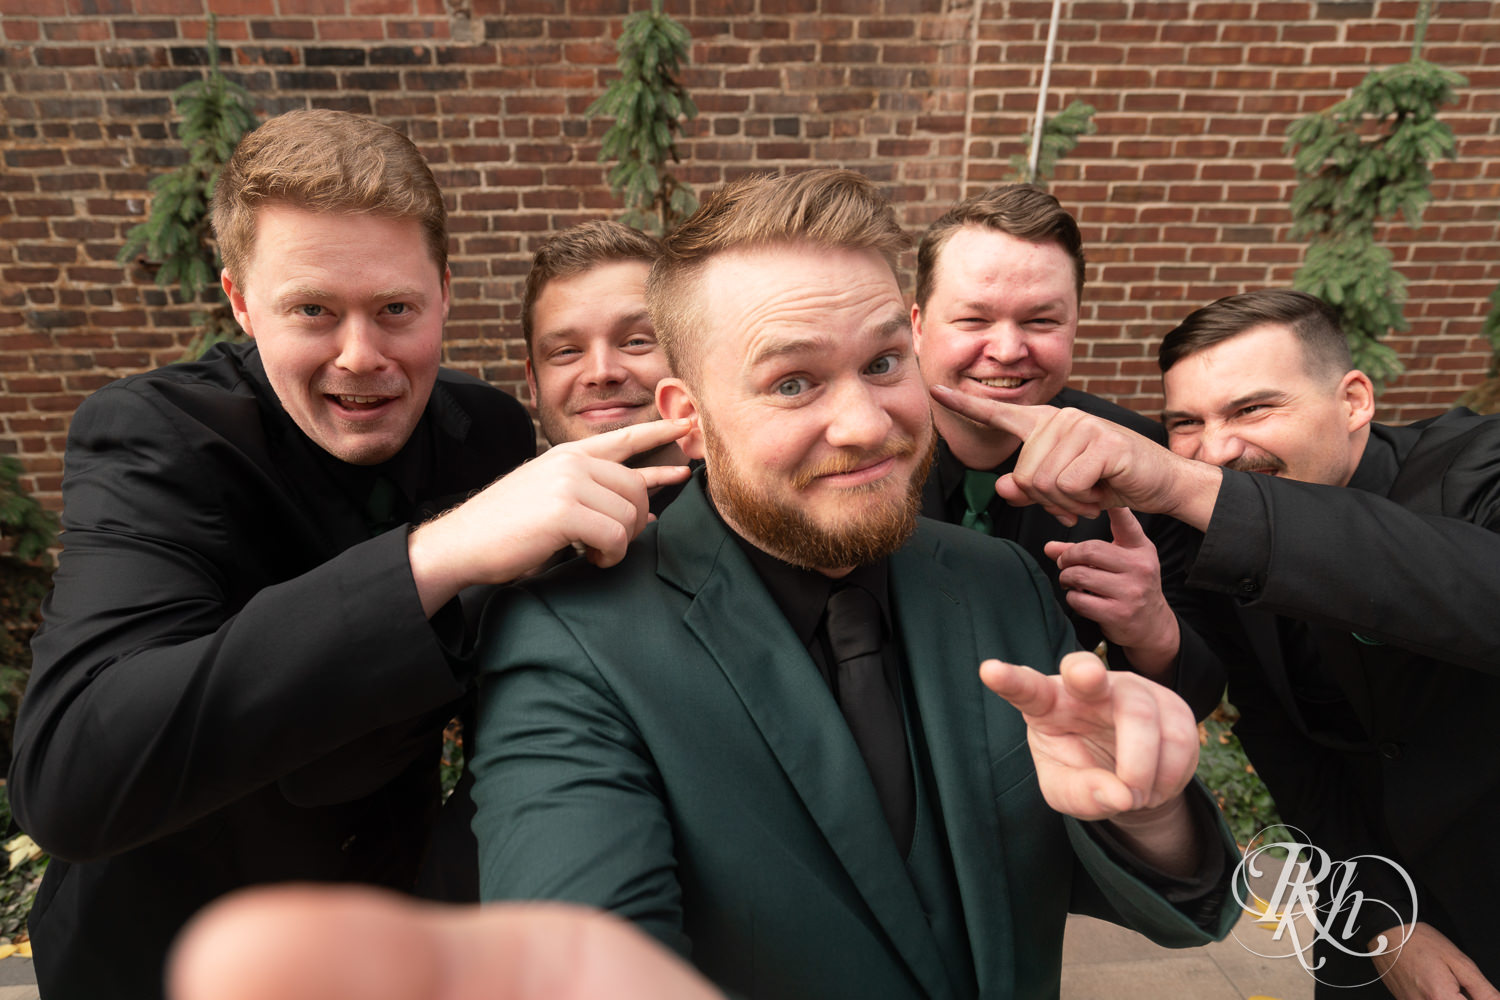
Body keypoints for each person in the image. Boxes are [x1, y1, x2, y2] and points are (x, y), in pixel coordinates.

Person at [467, 169, 1240, 1000]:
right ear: (688, 416)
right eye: (792, 382)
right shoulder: (568, 645)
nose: (867, 424)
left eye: (882, 362)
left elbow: (1150, 895)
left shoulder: (1003, 583)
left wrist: (1147, 813)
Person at [8, 108, 689, 1000]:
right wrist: (435, 557)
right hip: (167, 956)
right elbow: (72, 779)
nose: (361, 356)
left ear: (444, 292)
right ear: (241, 302)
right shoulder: (155, 440)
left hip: (386, 935)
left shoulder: (486, 432)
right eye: (313, 311)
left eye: (396, 309)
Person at [931, 289, 1500, 1000]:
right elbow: (1284, 743)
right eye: (1186, 424)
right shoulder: (1211, 549)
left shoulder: (1479, 467)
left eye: (1253, 409)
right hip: (1372, 914)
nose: (1218, 449)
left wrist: (1182, 482)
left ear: (1354, 400)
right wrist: (1383, 919)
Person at [910, 185, 1224, 717]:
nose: (1007, 350)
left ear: (1075, 325)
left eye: (1041, 321)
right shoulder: (854, 452)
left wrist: (1152, 630)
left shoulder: (1144, 464)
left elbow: (1192, 696)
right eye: (974, 319)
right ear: (918, 327)